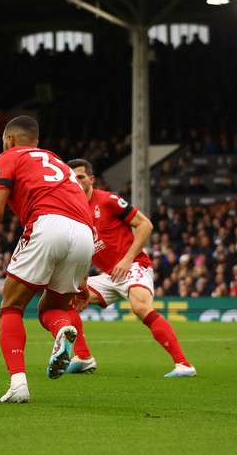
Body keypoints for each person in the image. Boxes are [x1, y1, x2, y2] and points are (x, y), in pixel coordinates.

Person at [0, 115, 94, 404]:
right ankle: (63, 329)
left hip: (47, 225)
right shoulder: (59, 162)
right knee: (51, 309)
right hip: (85, 234)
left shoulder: (8, 157)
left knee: (11, 306)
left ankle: (18, 383)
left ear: (10, 138)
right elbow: (80, 209)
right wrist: (83, 277)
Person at [65, 159, 196, 378]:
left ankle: (183, 365)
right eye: (73, 177)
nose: (77, 182)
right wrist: (83, 280)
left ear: (91, 179)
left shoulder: (108, 200)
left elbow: (145, 225)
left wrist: (127, 259)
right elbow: (82, 250)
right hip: (109, 275)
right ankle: (83, 357)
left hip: (134, 265)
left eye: (81, 177)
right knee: (65, 297)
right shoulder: (73, 211)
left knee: (141, 308)